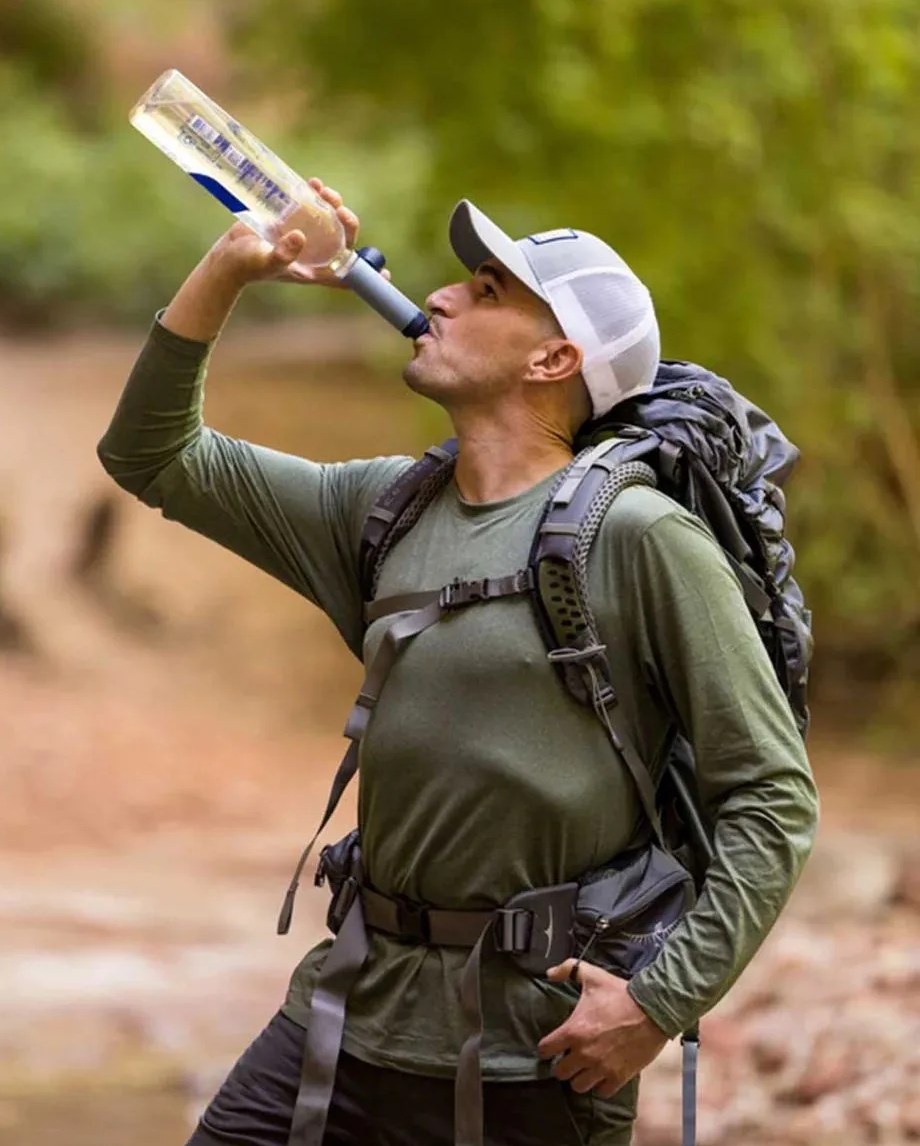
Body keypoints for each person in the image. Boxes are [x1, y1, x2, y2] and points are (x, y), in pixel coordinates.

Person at [97, 180, 819, 1146]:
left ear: (554, 357)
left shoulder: (641, 537)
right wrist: (231, 268)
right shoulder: (383, 506)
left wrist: (657, 1004)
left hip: (541, 1049)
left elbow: (772, 795)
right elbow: (151, 454)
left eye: (486, 291)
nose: (439, 296)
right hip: (349, 1015)